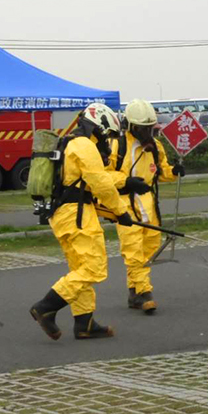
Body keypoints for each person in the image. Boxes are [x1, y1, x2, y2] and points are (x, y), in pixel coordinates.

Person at [29, 102, 133, 341]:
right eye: (105, 134)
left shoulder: (68, 143)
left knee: (80, 268)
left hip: (63, 215)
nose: (106, 140)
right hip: (77, 217)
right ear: (97, 127)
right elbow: (101, 183)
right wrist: (122, 211)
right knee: (93, 268)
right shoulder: (84, 145)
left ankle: (84, 323)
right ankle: (45, 307)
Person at [108, 98, 184, 315]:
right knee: (133, 251)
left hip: (150, 206)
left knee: (149, 250)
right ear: (131, 125)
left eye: (150, 128)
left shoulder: (155, 147)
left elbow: (161, 172)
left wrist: (174, 172)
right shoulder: (118, 145)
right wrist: (126, 182)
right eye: (143, 128)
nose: (147, 132)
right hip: (124, 206)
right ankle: (144, 293)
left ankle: (133, 291)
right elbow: (103, 175)